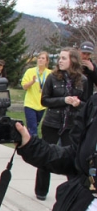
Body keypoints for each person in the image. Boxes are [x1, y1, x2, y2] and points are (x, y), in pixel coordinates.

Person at [36, 48, 91, 201]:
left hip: (72, 125)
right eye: (59, 58)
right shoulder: (52, 77)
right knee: (45, 155)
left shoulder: (83, 80)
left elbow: (88, 105)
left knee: (72, 158)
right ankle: (41, 190)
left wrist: (79, 104)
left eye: (64, 58)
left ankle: (73, 192)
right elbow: (44, 100)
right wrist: (63, 100)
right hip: (52, 123)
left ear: (72, 60)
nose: (60, 61)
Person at [21, 52, 51, 138]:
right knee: (33, 129)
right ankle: (33, 148)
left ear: (47, 61)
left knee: (34, 127)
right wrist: (32, 82)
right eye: (39, 58)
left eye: (43, 58)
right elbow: (24, 86)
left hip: (42, 105)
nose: (40, 60)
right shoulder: (30, 71)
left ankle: (25, 141)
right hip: (30, 104)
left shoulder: (50, 73)